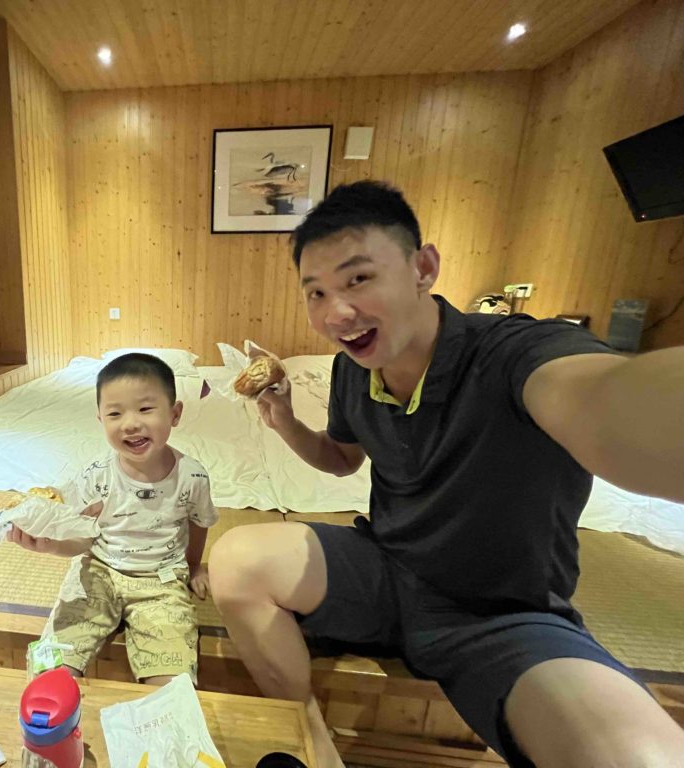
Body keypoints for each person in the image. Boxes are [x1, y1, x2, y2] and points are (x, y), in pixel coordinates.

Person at [208, 180, 684, 767]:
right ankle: (310, 741)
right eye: (316, 293)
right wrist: (282, 418)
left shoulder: (515, 353)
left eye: (358, 279)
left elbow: (614, 402)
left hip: (501, 614)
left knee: (635, 756)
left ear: (423, 268)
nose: (337, 313)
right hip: (388, 572)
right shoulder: (352, 371)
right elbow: (341, 460)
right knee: (235, 559)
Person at [8, 352, 217, 685]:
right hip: (98, 572)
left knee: (173, 679)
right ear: (100, 419)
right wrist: (50, 545)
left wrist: (194, 567)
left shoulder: (192, 477)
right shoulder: (96, 476)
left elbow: (199, 522)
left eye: (146, 409)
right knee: (50, 666)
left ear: (175, 413)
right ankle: (49, 729)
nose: (130, 423)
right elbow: (83, 538)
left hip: (161, 581)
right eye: (115, 413)